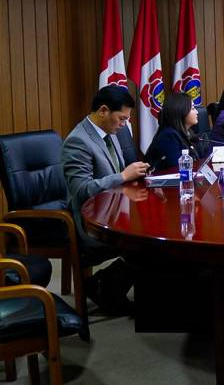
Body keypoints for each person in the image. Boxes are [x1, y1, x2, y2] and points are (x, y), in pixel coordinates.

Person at [62, 86, 150, 312]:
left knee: (155, 232)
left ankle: (110, 287)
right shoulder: (78, 141)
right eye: (122, 119)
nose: (124, 124)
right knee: (146, 244)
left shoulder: (111, 133)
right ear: (103, 111)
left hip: (114, 209)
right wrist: (123, 176)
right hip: (90, 220)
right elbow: (81, 190)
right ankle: (104, 287)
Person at [145, 92, 210, 170]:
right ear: (180, 111)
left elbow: (197, 159)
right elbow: (178, 168)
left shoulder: (187, 133)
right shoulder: (168, 136)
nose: (197, 112)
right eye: (193, 108)